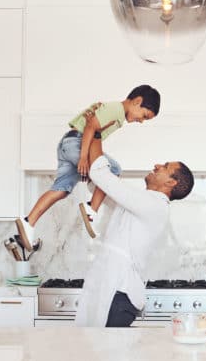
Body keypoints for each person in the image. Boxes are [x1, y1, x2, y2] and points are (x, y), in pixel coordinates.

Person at [14, 85, 161, 250]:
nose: (141, 121)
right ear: (137, 101)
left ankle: (28, 223)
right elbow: (90, 126)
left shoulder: (115, 112)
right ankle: (91, 208)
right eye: (144, 116)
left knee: (61, 190)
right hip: (76, 143)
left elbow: (93, 129)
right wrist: (83, 158)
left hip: (68, 144)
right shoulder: (115, 109)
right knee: (113, 170)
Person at [75, 135, 195, 327]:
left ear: (171, 183)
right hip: (111, 287)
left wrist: (96, 131)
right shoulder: (140, 201)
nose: (156, 165)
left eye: (164, 166)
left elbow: (103, 177)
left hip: (119, 296)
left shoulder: (155, 205)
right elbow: (100, 185)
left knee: (107, 354)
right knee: (93, 352)